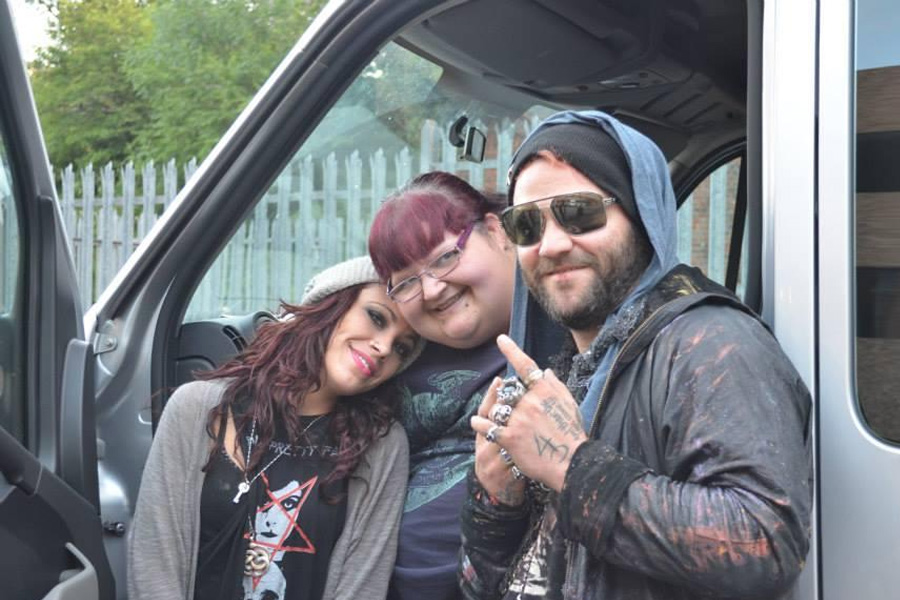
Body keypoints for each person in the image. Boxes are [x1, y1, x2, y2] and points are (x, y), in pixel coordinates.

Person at [459, 110, 813, 600]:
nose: (552, 245)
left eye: (579, 212)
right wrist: (496, 501)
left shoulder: (710, 344)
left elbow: (765, 545)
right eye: (527, 224)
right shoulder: (561, 370)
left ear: (641, 217)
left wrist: (571, 466)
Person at [128, 256, 424, 600]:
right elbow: (153, 566)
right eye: (376, 317)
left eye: (402, 348)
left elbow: (363, 587)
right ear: (329, 305)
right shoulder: (196, 408)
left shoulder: (382, 446)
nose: (384, 347)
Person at [367, 172, 525, 600]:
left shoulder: (561, 332)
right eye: (406, 282)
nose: (432, 290)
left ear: (497, 231)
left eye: (444, 258)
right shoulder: (393, 351)